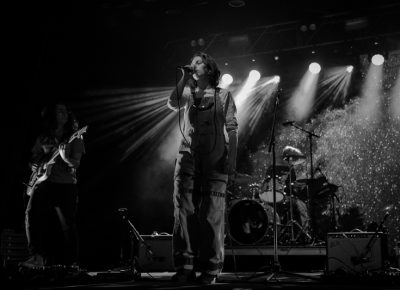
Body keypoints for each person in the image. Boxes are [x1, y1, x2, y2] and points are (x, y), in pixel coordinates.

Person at [167, 52, 238, 284]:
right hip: (187, 157)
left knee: (211, 213)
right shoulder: (187, 93)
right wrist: (183, 78)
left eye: (198, 63)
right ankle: (184, 266)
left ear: (209, 70)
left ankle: (210, 268)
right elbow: (172, 103)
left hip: (216, 159)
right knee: (183, 210)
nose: (193, 65)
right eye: (192, 62)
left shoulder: (224, 95)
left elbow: (233, 128)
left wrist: (232, 158)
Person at [20, 102, 85, 269]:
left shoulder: (75, 137)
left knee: (67, 225)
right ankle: (37, 257)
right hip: (43, 183)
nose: (63, 114)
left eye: (65, 111)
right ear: (52, 115)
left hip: (66, 185)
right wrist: (34, 165)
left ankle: (71, 263)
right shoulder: (44, 137)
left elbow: (75, 164)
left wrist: (64, 157)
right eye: (58, 111)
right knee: (31, 215)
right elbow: (33, 159)